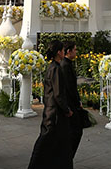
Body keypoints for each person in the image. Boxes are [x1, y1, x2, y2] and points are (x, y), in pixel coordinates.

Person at [28, 40, 73, 169]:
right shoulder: (55, 69)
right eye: (63, 51)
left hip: (52, 110)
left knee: (56, 143)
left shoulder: (53, 67)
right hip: (54, 113)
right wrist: (66, 109)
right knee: (46, 141)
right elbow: (58, 94)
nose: (64, 53)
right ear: (59, 52)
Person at [61, 41, 83, 162]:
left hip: (71, 102)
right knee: (75, 132)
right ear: (68, 51)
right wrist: (76, 101)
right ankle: (67, 156)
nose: (76, 52)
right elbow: (69, 87)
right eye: (74, 49)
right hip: (70, 104)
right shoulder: (65, 66)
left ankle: (68, 156)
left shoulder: (67, 64)